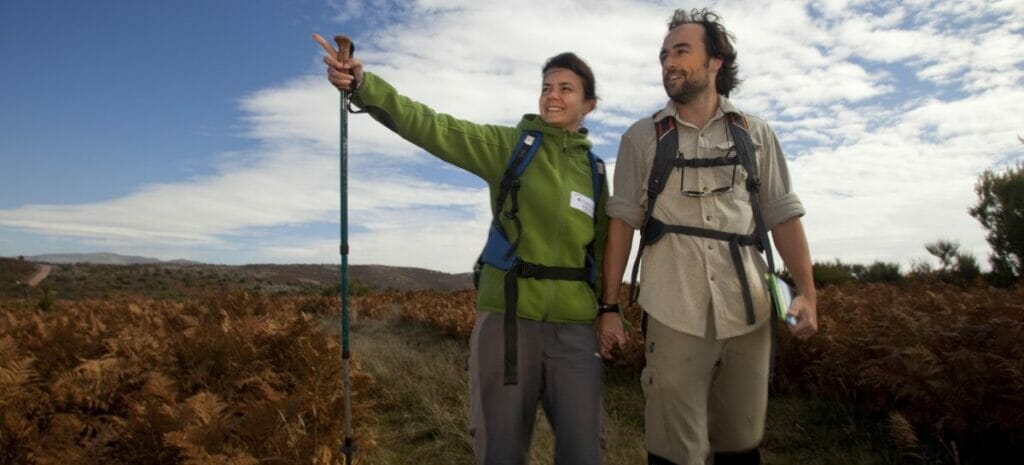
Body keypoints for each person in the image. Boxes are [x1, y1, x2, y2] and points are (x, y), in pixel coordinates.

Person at [314, 34, 609, 465]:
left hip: (576, 329)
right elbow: (434, 126)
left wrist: (607, 311)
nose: (552, 96)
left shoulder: (596, 172)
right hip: (508, 320)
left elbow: (601, 250)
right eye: (547, 87)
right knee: (500, 450)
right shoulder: (511, 147)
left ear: (589, 105)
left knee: (584, 452)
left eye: (566, 89)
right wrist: (365, 87)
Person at [595, 8, 819, 465]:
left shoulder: (756, 135)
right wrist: (609, 307)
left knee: (740, 445)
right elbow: (621, 223)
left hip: (751, 310)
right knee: (675, 450)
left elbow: (783, 217)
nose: (668, 63)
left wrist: (808, 295)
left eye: (681, 51)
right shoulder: (641, 138)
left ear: (715, 61)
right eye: (663, 55)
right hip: (672, 309)